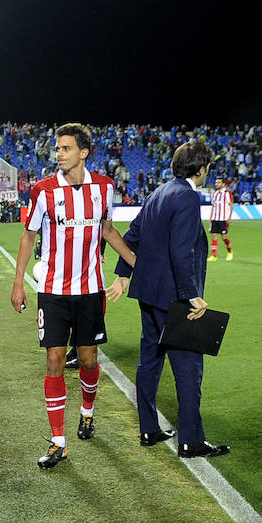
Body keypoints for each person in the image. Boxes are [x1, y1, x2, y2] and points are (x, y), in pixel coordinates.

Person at [10, 123, 136, 469]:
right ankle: (58, 442)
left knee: (88, 358)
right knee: (53, 360)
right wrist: (19, 282)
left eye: (65, 148)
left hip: (91, 289)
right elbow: (28, 235)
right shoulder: (44, 191)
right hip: (52, 291)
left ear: (83, 152)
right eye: (57, 148)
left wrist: (136, 263)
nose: (58, 154)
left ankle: (87, 413)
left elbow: (108, 230)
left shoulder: (105, 188)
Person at [107, 141, 230, 458]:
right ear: (201, 168)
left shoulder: (158, 192)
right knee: (189, 367)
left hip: (148, 294)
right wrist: (192, 295)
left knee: (149, 361)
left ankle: (148, 429)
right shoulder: (187, 197)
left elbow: (131, 234)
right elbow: (181, 252)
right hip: (173, 298)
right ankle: (191, 440)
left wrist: (123, 274)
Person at [207, 177, 234, 261]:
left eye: (219, 182)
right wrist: (211, 217)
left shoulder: (227, 194)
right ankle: (214, 256)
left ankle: (230, 252)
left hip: (223, 218)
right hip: (215, 218)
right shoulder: (214, 193)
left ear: (223, 184)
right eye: (216, 182)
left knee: (224, 237)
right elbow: (213, 206)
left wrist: (229, 217)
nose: (217, 184)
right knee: (214, 237)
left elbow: (231, 205)